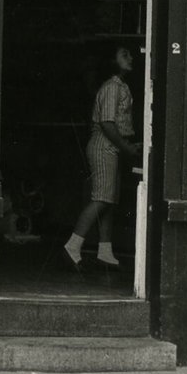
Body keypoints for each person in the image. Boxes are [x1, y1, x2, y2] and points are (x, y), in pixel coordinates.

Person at [64, 46, 142, 270]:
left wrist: (125, 145)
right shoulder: (111, 88)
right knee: (101, 198)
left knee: (109, 199)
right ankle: (72, 245)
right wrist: (127, 147)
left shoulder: (120, 86)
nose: (131, 58)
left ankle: (105, 251)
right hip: (105, 145)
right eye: (124, 54)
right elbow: (107, 124)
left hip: (114, 146)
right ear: (112, 61)